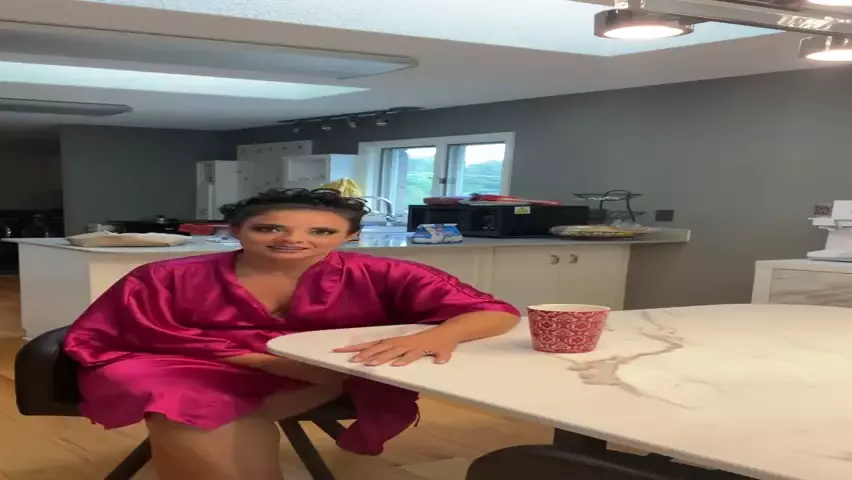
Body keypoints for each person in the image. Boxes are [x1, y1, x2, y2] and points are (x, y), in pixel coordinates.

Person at [63, 188, 520, 480]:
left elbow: (495, 313)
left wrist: (435, 337)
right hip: (183, 363)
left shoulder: (386, 272)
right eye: (268, 228)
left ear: (350, 236)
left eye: (322, 231)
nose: (292, 239)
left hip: (314, 372)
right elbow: (122, 333)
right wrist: (263, 360)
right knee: (175, 397)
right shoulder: (166, 276)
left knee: (185, 417)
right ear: (236, 230)